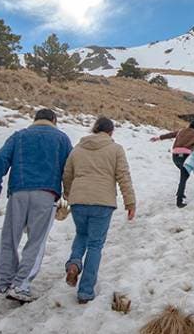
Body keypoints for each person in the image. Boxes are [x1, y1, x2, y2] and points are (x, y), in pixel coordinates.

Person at [0, 108, 73, 302]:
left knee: (10, 237)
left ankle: (4, 282)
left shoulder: (19, 136)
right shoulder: (61, 139)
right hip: (46, 193)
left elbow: (0, 159)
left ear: (35, 120)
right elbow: (69, 168)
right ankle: (21, 284)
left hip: (18, 191)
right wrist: (68, 194)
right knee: (36, 240)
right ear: (54, 120)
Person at [62, 117, 135, 304]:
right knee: (95, 244)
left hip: (78, 200)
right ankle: (85, 291)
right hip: (102, 202)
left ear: (94, 129)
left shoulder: (78, 149)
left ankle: (74, 264)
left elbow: (67, 174)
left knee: (81, 234)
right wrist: (130, 202)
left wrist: (70, 195)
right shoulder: (116, 149)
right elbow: (123, 177)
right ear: (111, 132)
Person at [150, 118, 194, 208]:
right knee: (184, 177)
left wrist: (158, 138)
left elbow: (170, 135)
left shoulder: (181, 131)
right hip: (186, 157)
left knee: (184, 175)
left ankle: (179, 193)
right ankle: (179, 200)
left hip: (175, 156)